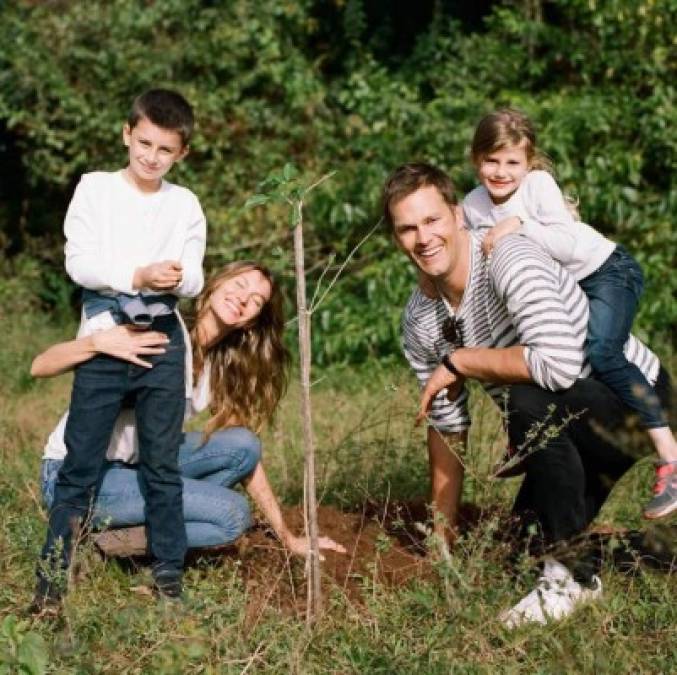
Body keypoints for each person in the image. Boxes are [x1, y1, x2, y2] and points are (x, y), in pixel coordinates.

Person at [382, 162, 672, 627]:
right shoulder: (421, 320)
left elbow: (554, 366)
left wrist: (461, 361)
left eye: (432, 220)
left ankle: (569, 580)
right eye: (407, 229)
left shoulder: (508, 258)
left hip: (632, 401)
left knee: (528, 399)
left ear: (458, 214)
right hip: (564, 416)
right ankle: (649, 553)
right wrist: (443, 539)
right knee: (521, 546)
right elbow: (447, 429)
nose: (423, 238)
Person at [32, 262, 345, 613]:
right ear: (213, 285)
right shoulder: (157, 324)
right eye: (239, 285)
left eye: (256, 300)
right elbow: (40, 365)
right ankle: (103, 545)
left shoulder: (218, 364)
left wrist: (287, 536)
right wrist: (97, 341)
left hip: (140, 466)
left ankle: (123, 531)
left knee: (243, 445)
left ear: (253, 320)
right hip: (79, 475)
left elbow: (246, 462)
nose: (243, 299)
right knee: (232, 516)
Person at [35, 88, 207, 607]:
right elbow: (81, 263)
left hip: (161, 334)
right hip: (107, 333)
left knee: (162, 463)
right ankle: (50, 585)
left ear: (182, 154)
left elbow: (195, 275)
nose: (151, 157)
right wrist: (136, 273)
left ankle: (168, 578)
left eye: (165, 150)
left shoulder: (185, 204)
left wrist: (173, 276)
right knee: (81, 462)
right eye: (144, 143)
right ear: (127, 134)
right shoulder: (95, 189)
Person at [462, 108, 677, 520]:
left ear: (528, 163)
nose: (502, 171)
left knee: (602, 351)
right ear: (476, 160)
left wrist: (517, 224)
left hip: (606, 271)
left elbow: (565, 242)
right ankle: (521, 438)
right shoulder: (473, 203)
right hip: (567, 289)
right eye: (492, 160)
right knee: (518, 350)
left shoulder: (538, 186)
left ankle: (668, 453)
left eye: (513, 162)